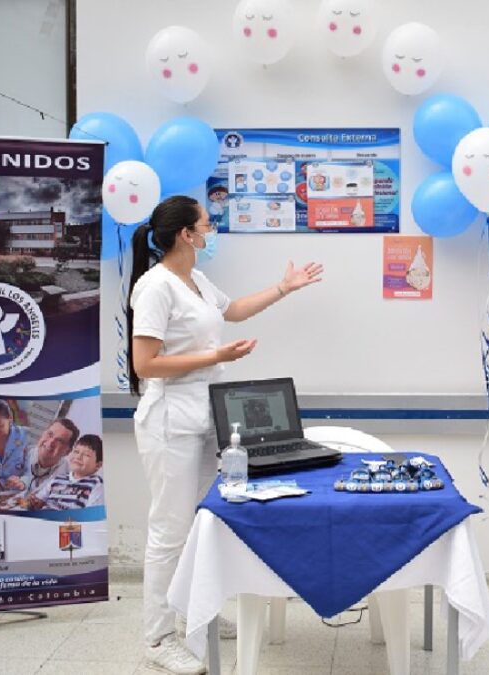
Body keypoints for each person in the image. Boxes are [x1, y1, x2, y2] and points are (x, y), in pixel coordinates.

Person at [127, 195, 323, 674]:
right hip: (170, 419)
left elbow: (231, 310)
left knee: (199, 523)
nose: (211, 229)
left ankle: (194, 612)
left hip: (203, 418)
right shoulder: (155, 287)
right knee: (169, 532)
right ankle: (157, 638)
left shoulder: (193, 280)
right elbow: (145, 363)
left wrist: (284, 287)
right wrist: (216, 358)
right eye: (206, 223)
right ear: (185, 235)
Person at [29, 434, 104, 510]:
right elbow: (39, 500)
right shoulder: (57, 479)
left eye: (86, 455)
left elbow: (91, 515)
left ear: (98, 465)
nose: (78, 457)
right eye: (76, 451)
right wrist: (34, 502)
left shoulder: (96, 485)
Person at [22, 418, 80, 496]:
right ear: (43, 434)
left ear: (68, 451)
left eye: (60, 441)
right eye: (50, 434)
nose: (51, 442)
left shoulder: (69, 480)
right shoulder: (18, 455)